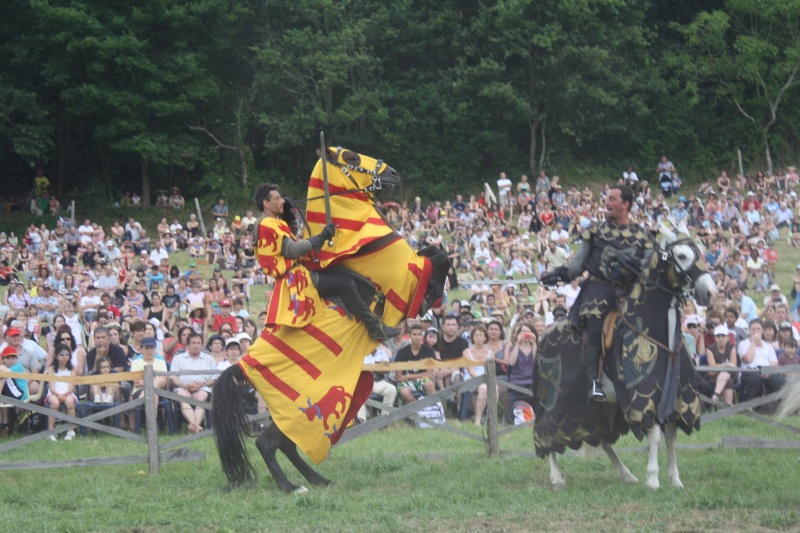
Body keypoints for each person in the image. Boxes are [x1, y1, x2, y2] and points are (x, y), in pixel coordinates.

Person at [539, 185, 656, 401]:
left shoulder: (644, 235)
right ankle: (594, 382)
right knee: (593, 325)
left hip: (631, 291)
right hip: (598, 289)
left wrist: (633, 263)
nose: (607, 203)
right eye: (607, 198)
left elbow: (652, 266)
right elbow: (576, 266)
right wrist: (557, 274)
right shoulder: (595, 231)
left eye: (612, 199)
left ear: (626, 204)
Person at [254, 183, 399, 340]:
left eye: (281, 197)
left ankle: (376, 299)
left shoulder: (273, 222)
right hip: (295, 280)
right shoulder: (267, 225)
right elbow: (292, 250)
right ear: (266, 204)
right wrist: (321, 237)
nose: (282, 201)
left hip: (299, 271)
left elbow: (291, 241)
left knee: (335, 266)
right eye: (277, 198)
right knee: (346, 284)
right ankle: (374, 328)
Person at [170, 332, 217, 433]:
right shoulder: (178, 358)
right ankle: (196, 426)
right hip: (183, 386)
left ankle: (193, 426)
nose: (196, 345)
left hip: (202, 387)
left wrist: (202, 384)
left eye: (199, 343)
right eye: (193, 343)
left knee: (201, 399)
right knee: (183, 398)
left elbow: (214, 378)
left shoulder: (209, 358)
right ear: (187, 345)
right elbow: (173, 377)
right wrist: (184, 385)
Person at [737, 319, 785, 402]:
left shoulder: (768, 346)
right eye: (753, 329)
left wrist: (769, 371)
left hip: (766, 370)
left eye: (758, 329)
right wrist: (754, 343)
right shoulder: (743, 343)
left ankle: (780, 406)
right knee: (755, 378)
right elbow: (748, 359)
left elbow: (774, 363)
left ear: (762, 330)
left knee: (778, 380)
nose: (756, 331)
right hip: (749, 371)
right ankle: (749, 406)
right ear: (749, 330)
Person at [394, 323, 436, 404]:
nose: (417, 337)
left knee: (429, 385)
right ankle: (420, 410)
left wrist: (409, 376)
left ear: (422, 336)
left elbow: (429, 373)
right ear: (409, 335)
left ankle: (435, 409)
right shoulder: (402, 352)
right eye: (414, 334)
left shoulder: (429, 350)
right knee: (404, 392)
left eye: (419, 334)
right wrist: (418, 376)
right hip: (406, 383)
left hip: (422, 380)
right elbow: (399, 377)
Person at [45, 343, 78, 441]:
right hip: (54, 392)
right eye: (62, 355)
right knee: (55, 403)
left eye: (67, 355)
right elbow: (51, 386)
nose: (64, 357)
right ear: (56, 356)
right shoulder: (51, 369)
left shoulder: (72, 369)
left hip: (68, 392)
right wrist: (58, 394)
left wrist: (64, 394)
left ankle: (71, 430)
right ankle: (51, 431)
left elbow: (71, 387)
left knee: (69, 402)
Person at [0, 345, 29, 435]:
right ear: (3, 359)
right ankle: (5, 426)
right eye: (8, 357)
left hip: (20, 394)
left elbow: (5, 372)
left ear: (16, 359)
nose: (11, 360)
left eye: (13, 357)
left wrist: (2, 367)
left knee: (4, 376)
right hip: (11, 393)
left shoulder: (18, 367)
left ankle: (5, 425)